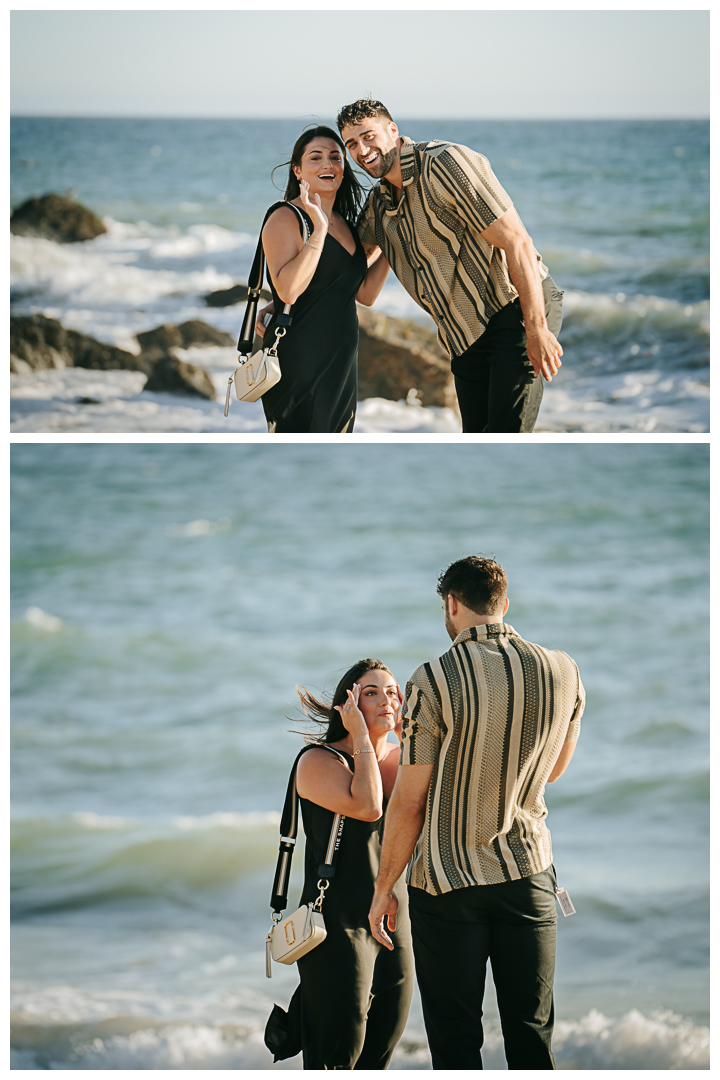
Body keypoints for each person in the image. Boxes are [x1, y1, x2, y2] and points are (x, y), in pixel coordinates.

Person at [367, 557, 585, 1070]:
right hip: (528, 873)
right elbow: (554, 770)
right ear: (504, 605)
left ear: (451, 604)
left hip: (447, 885)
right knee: (531, 1034)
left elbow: (410, 800)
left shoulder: (433, 680)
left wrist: (384, 889)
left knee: (456, 1039)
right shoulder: (564, 670)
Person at [337, 100, 566, 433]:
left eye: (368, 136)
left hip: (512, 310)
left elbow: (518, 242)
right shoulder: (379, 207)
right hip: (463, 338)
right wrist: (286, 300)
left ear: (393, 130)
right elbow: (349, 274)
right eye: (352, 145)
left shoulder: (444, 163)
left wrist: (536, 329)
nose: (362, 150)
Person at [265, 659, 414, 1070]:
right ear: (346, 707)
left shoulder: (404, 759)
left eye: (392, 692)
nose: (387, 699)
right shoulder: (317, 761)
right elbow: (366, 806)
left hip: (394, 919)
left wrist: (413, 744)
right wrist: (362, 738)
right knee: (337, 1056)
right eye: (371, 692)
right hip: (337, 924)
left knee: (381, 1046)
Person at [256, 126, 390, 433]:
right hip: (300, 360)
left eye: (335, 157)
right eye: (315, 158)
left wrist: (391, 242)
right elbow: (288, 291)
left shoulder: (346, 224)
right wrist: (318, 230)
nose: (328, 164)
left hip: (342, 364)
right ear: (298, 170)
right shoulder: (285, 217)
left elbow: (365, 295)